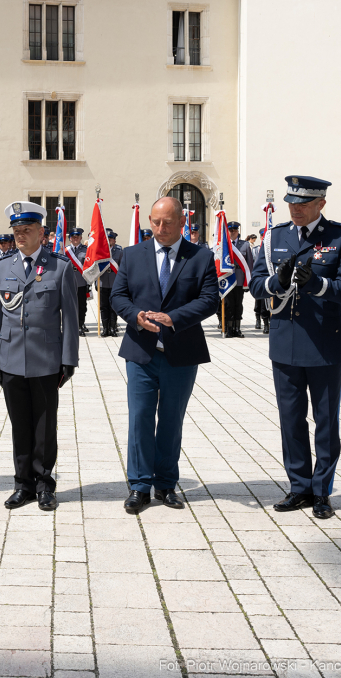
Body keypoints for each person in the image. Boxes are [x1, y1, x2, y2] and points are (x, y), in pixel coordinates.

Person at [250, 176, 341, 519]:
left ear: (321, 204)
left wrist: (318, 284)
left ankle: (321, 490)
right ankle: (299, 487)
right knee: (291, 419)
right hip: (285, 342)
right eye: (292, 204)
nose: (296, 210)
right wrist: (275, 282)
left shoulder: (340, 237)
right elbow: (254, 285)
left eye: (304, 204)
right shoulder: (275, 236)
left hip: (324, 343)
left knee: (326, 421)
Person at [110, 197, 218, 513]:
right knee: (140, 418)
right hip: (141, 351)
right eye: (155, 222)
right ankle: (140, 486)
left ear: (182, 222)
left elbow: (210, 300)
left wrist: (176, 318)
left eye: (168, 222)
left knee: (171, 420)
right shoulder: (132, 255)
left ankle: (166, 484)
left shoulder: (200, 257)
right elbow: (118, 295)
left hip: (181, 353)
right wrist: (135, 316)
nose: (161, 228)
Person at [0, 202, 78, 510]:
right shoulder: (3, 267)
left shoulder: (60, 267)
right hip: (11, 358)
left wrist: (69, 359)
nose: (20, 236)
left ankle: (44, 484)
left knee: (43, 425)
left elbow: (70, 318)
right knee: (19, 424)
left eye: (27, 231)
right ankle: (22, 484)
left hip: (45, 359)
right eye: (16, 231)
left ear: (42, 233)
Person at [223, 221, 254, 338]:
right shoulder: (225, 244)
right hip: (228, 279)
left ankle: (237, 328)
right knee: (228, 304)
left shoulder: (245, 245)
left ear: (238, 231)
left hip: (240, 279)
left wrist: (249, 281)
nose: (233, 232)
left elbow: (249, 264)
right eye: (230, 230)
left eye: (235, 230)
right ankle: (229, 328)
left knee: (238, 304)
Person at [98, 229, 123, 337]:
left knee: (113, 306)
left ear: (114, 241)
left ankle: (112, 328)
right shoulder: (100, 251)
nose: (109, 241)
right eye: (107, 239)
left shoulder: (119, 251)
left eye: (111, 239)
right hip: (103, 283)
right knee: (103, 306)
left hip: (115, 283)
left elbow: (122, 268)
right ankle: (105, 328)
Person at [67, 227, 89, 336]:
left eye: (77, 237)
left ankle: (80, 325)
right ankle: (72, 326)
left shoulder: (86, 250)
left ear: (80, 238)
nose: (75, 239)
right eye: (73, 237)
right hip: (69, 282)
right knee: (70, 306)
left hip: (81, 282)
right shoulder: (65, 250)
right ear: (70, 238)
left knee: (81, 306)